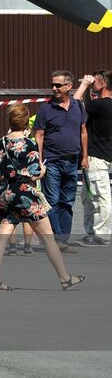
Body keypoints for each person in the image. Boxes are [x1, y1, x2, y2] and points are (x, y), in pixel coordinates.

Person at [0, 103, 85, 292]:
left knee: (1, 238)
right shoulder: (29, 143)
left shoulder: (1, 143)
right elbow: (35, 172)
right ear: (26, 122)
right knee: (48, 238)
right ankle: (65, 278)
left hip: (6, 193)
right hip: (25, 193)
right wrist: (43, 171)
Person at [34, 70, 88, 252]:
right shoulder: (46, 109)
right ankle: (56, 239)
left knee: (68, 201)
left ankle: (63, 238)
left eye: (58, 85)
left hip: (72, 160)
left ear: (69, 86)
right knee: (53, 200)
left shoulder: (78, 106)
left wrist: (85, 157)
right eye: (52, 85)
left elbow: (83, 131)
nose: (54, 88)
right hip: (52, 161)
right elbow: (39, 135)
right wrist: (39, 160)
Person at [81, 70, 112, 246]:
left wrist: (85, 85)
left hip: (96, 156)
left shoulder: (103, 104)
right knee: (88, 196)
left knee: (100, 197)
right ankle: (92, 232)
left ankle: (101, 235)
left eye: (95, 81)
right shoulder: (103, 104)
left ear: (103, 84)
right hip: (97, 155)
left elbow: (77, 104)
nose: (93, 84)